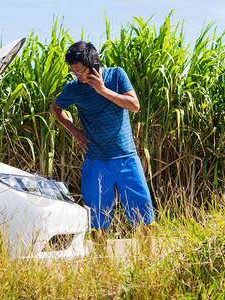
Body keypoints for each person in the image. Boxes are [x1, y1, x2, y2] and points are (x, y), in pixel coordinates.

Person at [51, 41, 156, 251]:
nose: (78, 77)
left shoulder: (117, 75)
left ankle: (147, 262)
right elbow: (56, 108)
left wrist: (103, 90)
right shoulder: (73, 89)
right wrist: (77, 133)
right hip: (95, 161)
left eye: (80, 72)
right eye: (73, 72)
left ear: (94, 63)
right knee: (97, 220)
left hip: (126, 158)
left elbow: (134, 106)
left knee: (144, 216)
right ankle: (101, 264)